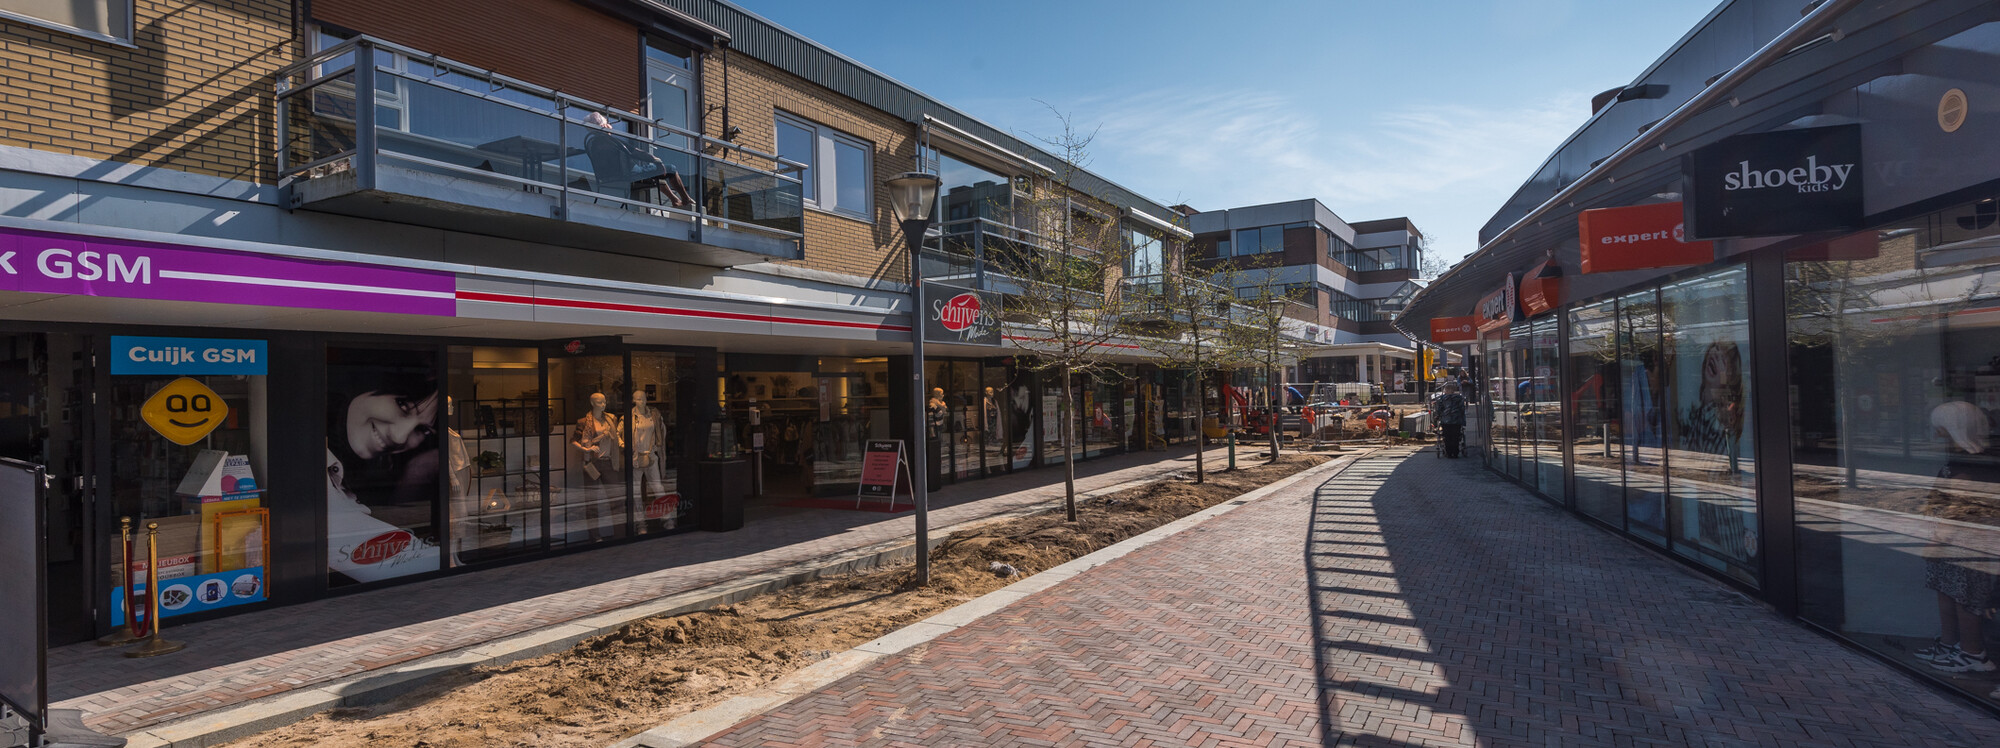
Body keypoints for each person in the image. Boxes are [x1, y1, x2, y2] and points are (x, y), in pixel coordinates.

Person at [325, 362, 443, 583]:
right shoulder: (309, 468)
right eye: (403, 405)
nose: (399, 438)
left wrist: (414, 474)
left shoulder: (349, 478)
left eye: (423, 430)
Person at [1919, 401, 2000, 674]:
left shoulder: (1969, 463)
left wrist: (1937, 540)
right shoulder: (1960, 460)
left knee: (1966, 599)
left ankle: (1973, 652)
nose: (1935, 435)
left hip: (1965, 543)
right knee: (1949, 593)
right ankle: (1951, 644)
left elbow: (1958, 507)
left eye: (1940, 429)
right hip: (1956, 544)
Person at [584, 111, 694, 209]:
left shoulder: (593, 144)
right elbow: (634, 152)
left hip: (609, 177)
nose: (610, 126)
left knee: (656, 175)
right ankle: (686, 199)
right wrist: (655, 159)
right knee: (671, 169)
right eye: (607, 123)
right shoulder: (612, 142)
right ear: (603, 126)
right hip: (630, 175)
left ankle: (675, 200)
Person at [1432, 380, 1467, 458]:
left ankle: (1449, 453)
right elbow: (1462, 409)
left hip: (1446, 420)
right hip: (1456, 420)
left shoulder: (1442, 399)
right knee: (1456, 436)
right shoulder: (1459, 398)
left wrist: (1438, 416)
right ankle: (1455, 452)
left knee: (1447, 437)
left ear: (1446, 390)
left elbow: (1439, 409)